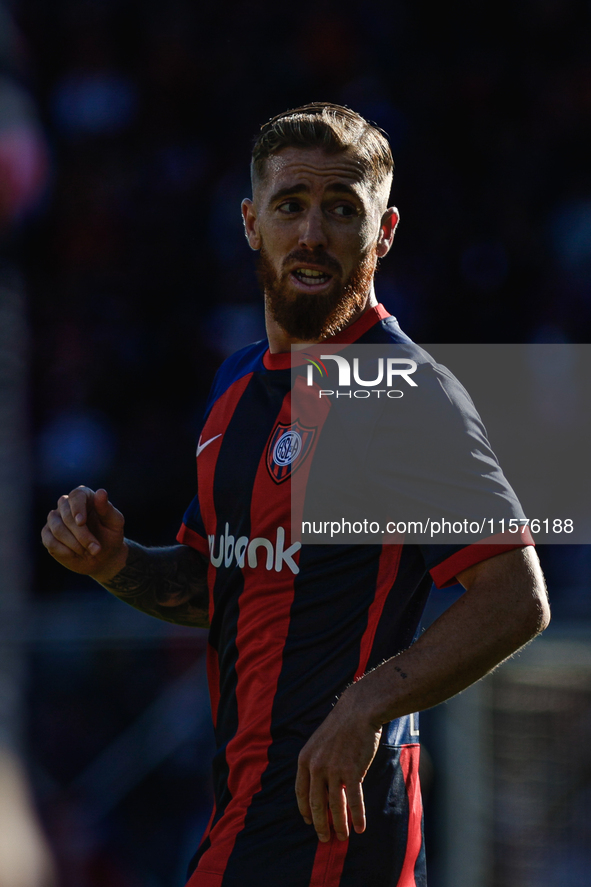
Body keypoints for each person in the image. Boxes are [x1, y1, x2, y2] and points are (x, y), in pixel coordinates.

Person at [42, 103, 550, 887]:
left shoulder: (399, 390)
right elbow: (215, 582)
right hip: (243, 812)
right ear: (252, 222)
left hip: (337, 829)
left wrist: (362, 707)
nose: (312, 233)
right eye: (291, 206)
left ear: (382, 234)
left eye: (341, 210)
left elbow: (515, 596)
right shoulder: (236, 383)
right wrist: (113, 562)